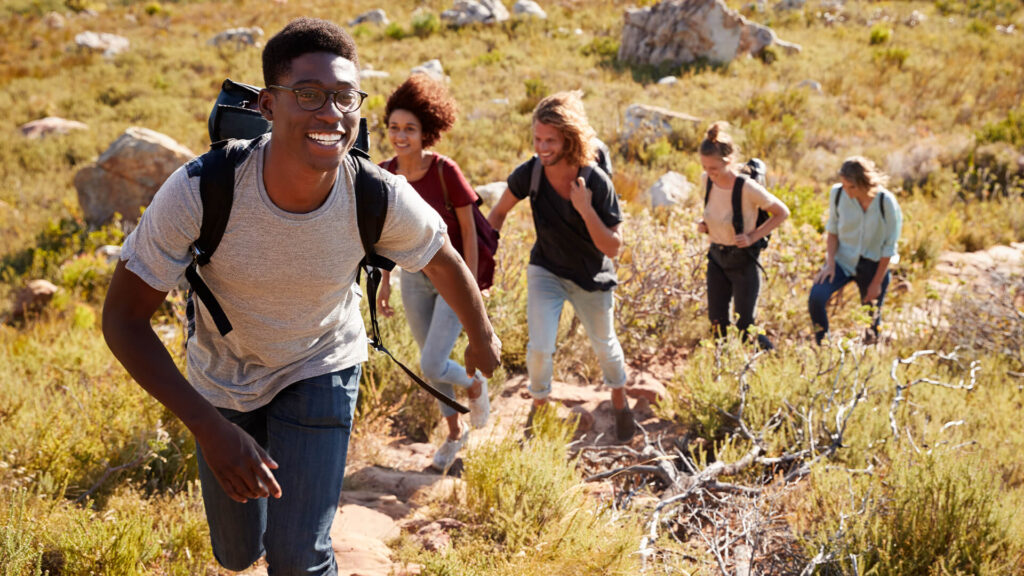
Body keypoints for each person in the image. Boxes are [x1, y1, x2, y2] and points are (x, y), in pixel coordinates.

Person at [101, 18, 500, 575]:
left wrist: (480, 338)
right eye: (308, 95)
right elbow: (122, 319)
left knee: (298, 557)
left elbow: (441, 256)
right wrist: (210, 429)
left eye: (344, 98)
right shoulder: (202, 189)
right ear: (267, 105)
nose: (331, 114)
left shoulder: (375, 193)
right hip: (224, 379)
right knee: (238, 554)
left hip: (322, 363)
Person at [487, 90, 635, 442]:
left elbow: (613, 248)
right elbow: (498, 212)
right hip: (547, 270)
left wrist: (585, 209)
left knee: (605, 345)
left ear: (569, 139)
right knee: (539, 347)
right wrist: (482, 258)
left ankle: (619, 399)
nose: (542, 147)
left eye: (550, 140)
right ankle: (538, 410)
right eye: (537, 139)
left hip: (591, 278)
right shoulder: (532, 173)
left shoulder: (595, 180)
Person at [377, 74, 490, 472]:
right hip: (412, 278)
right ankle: (455, 434)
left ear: (427, 131)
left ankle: (476, 386)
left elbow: (471, 235)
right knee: (432, 361)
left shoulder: (445, 171)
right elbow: (382, 236)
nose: (401, 136)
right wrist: (385, 281)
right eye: (394, 128)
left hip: (451, 279)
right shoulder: (384, 174)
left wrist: (471, 285)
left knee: (431, 363)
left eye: (410, 129)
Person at [696, 122, 790, 349]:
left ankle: (771, 360)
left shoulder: (747, 188)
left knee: (746, 327)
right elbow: (715, 211)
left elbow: (781, 212)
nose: (709, 173)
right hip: (716, 258)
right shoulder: (706, 180)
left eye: (714, 168)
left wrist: (753, 236)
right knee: (717, 324)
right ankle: (722, 372)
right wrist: (705, 225)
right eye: (705, 167)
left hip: (743, 261)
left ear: (728, 162)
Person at [809, 156, 903, 344]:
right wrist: (830, 264)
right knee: (817, 298)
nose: (846, 190)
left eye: (851, 186)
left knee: (871, 318)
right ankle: (823, 346)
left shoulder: (886, 202)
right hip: (843, 261)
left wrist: (876, 283)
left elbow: (889, 247)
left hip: (874, 265)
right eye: (843, 185)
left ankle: (871, 354)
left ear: (864, 183)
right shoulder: (837, 194)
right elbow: (833, 231)